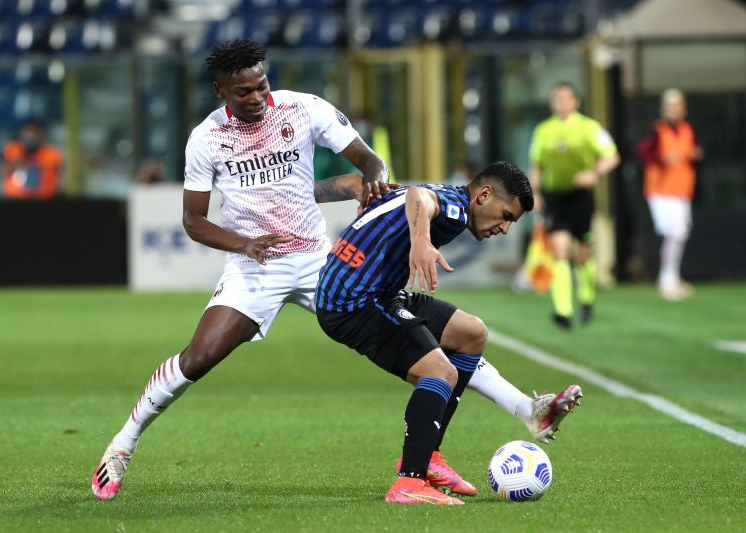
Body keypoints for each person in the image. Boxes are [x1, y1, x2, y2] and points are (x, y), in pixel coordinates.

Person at [91, 39, 392, 500]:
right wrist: (244, 244)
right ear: (220, 92)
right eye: (242, 92)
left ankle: (520, 407)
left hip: (316, 259)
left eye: (261, 86)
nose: (256, 98)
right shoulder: (206, 138)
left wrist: (373, 178)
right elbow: (193, 221)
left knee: (402, 331)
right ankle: (122, 444)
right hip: (257, 267)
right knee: (199, 358)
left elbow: (368, 160)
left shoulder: (303, 109)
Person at [315, 162, 583, 505]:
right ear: (483, 195)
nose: (503, 228)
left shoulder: (451, 197)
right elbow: (418, 196)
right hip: (354, 302)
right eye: (505, 215)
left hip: (371, 291)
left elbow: (404, 194)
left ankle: (431, 456)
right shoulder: (455, 209)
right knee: (441, 371)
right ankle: (409, 482)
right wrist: (421, 241)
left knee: (471, 333)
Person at [529, 82, 620, 329]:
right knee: (559, 248)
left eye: (565, 98)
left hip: (580, 196)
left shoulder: (588, 127)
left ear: (575, 102)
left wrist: (594, 173)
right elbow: (537, 164)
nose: (561, 102)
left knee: (582, 253)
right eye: (556, 98)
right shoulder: (543, 131)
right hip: (555, 196)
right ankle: (563, 309)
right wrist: (535, 192)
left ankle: (587, 297)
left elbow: (612, 156)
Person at [637, 88, 702, 301]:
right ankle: (667, 278)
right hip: (660, 190)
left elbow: (696, 151)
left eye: (678, 106)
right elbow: (643, 152)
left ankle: (672, 276)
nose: (674, 110)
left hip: (682, 189)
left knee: (680, 233)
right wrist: (661, 158)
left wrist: (695, 154)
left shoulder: (687, 129)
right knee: (672, 233)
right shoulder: (657, 130)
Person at [1, 120, 62, 199]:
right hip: (15, 197)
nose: (31, 136)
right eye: (28, 132)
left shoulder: (51, 153)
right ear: (22, 133)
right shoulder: (12, 149)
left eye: (34, 133)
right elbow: (2, 169)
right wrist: (19, 162)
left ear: (40, 134)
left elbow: (60, 179)